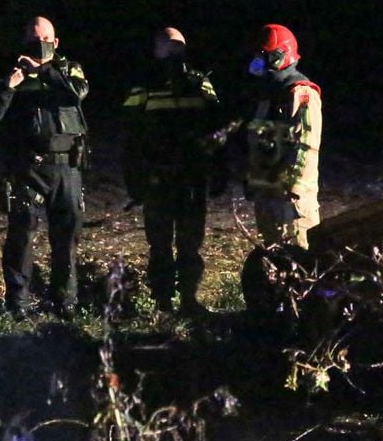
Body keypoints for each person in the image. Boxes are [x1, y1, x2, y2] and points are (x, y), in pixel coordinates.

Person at [0, 16, 89, 319]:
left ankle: (65, 303)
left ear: (55, 43)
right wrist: (9, 85)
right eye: (33, 40)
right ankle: (17, 304)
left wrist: (44, 70)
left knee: (67, 236)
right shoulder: (11, 71)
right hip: (27, 168)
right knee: (21, 235)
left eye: (44, 40)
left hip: (67, 166)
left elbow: (75, 94)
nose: (39, 45)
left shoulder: (69, 69)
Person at [121, 27, 222, 315]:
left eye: (178, 47)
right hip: (161, 179)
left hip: (189, 178)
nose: (175, 53)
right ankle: (165, 301)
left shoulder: (198, 82)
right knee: (163, 244)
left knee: (188, 243)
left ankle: (187, 299)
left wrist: (217, 169)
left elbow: (215, 130)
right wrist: (134, 178)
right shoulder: (147, 85)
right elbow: (131, 136)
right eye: (172, 47)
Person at [241, 24, 323, 249]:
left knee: (299, 259)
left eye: (262, 56)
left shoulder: (301, 92)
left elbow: (306, 144)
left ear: (278, 57)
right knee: (273, 257)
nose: (256, 63)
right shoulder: (268, 96)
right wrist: (253, 178)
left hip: (291, 198)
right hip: (267, 191)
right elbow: (258, 142)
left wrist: (293, 187)